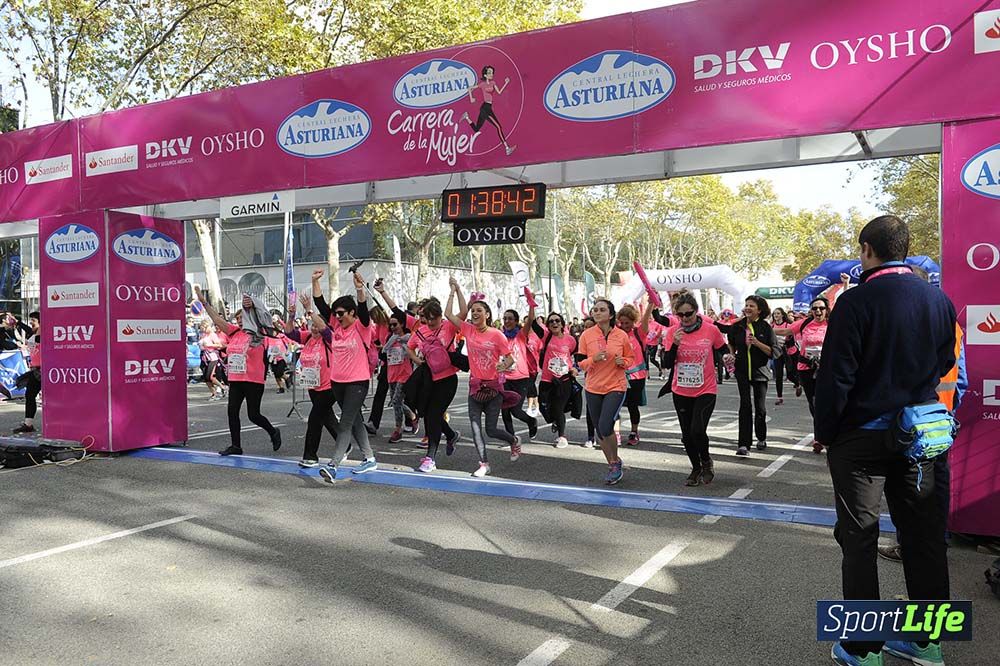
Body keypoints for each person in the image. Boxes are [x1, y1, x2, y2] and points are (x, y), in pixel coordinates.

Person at [815, 216, 956, 666]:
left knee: (859, 539)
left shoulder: (854, 303)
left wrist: (826, 434)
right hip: (921, 435)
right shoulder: (939, 300)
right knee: (925, 538)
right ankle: (925, 643)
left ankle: (863, 648)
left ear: (867, 250)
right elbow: (945, 361)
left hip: (862, 440)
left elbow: (836, 377)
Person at [195, 286, 282, 456]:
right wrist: (204, 302)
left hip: (253, 380)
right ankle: (236, 446)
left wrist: (251, 305)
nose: (241, 321)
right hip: (236, 379)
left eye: (244, 317)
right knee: (232, 411)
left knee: (253, 415)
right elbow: (216, 318)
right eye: (238, 318)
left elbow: (263, 315)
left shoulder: (260, 333)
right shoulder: (234, 332)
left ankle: (273, 431)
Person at [445, 279, 520, 476]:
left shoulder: (497, 335)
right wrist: (455, 290)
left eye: (479, 310)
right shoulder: (468, 330)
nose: (475, 313)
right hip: (475, 386)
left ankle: (513, 441)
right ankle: (484, 464)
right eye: (473, 311)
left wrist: (502, 365)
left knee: (491, 430)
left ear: (487, 314)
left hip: (493, 388)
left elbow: (510, 359)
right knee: (475, 428)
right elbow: (448, 314)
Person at [310, 269, 378, 482]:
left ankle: (333, 465)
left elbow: (364, 311)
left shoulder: (362, 327)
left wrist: (359, 289)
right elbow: (320, 304)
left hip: (357, 383)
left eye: (341, 313)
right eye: (336, 314)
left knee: (345, 423)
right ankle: (369, 459)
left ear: (352, 313)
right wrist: (314, 281)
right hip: (337, 383)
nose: (337, 317)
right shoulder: (336, 330)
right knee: (355, 420)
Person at [662, 294, 728, 486]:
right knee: (686, 435)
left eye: (688, 314)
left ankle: (706, 461)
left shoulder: (711, 330)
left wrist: (727, 358)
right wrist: (674, 344)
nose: (684, 318)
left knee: (697, 430)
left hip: (705, 388)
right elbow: (667, 363)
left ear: (696, 311)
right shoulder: (673, 332)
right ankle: (695, 468)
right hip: (681, 390)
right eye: (680, 315)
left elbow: (722, 349)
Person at [576, 298, 634, 484]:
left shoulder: (621, 336)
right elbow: (580, 362)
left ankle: (614, 462)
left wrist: (623, 362)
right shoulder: (586, 335)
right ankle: (613, 464)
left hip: (615, 386)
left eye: (602, 310)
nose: (597, 312)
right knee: (600, 432)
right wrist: (593, 359)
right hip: (593, 386)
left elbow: (630, 358)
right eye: (595, 310)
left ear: (610, 314)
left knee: (605, 426)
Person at [282, 293, 341, 468]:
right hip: (312, 385)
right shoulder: (307, 337)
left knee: (315, 419)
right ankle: (345, 445)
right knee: (327, 417)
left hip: (330, 386)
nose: (314, 329)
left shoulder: (330, 339)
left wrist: (310, 310)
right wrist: (292, 316)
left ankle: (310, 455)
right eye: (312, 326)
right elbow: (289, 332)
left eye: (317, 326)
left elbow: (324, 329)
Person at [406, 292, 461, 473]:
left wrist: (454, 291)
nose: (429, 323)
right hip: (429, 379)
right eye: (426, 319)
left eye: (433, 319)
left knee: (433, 415)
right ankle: (451, 435)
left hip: (448, 379)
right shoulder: (420, 332)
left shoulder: (449, 326)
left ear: (439, 316)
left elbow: (464, 312)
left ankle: (430, 458)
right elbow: (409, 347)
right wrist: (416, 360)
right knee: (428, 414)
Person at [720, 295, 775, 455]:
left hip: (760, 372)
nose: (747, 308)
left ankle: (761, 437)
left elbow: (774, 352)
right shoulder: (738, 326)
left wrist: (757, 343)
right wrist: (731, 354)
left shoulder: (765, 327)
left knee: (760, 408)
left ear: (759, 310)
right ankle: (743, 444)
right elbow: (730, 341)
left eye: (752, 306)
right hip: (742, 370)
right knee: (745, 405)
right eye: (746, 305)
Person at [775, 297, 830, 430]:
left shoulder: (832, 323)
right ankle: (819, 433)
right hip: (806, 367)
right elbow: (785, 331)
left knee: (824, 402)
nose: (818, 311)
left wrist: (846, 284)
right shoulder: (804, 323)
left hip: (826, 368)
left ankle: (825, 430)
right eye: (815, 308)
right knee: (813, 401)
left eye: (821, 308)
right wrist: (761, 328)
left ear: (826, 310)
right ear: (811, 311)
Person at [531, 310, 578, 448]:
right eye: (551, 321)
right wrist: (531, 304)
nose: (554, 323)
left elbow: (579, 356)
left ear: (562, 324)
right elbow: (533, 324)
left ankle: (562, 436)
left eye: (557, 320)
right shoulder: (546, 337)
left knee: (558, 408)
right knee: (544, 406)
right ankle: (556, 420)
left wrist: (576, 368)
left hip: (564, 379)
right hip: (547, 379)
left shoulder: (571, 340)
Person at [499, 308, 539, 441]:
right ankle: (511, 438)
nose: (507, 321)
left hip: (521, 378)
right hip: (505, 378)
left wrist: (531, 305)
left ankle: (531, 421)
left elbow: (531, 320)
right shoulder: (500, 336)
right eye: (505, 318)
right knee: (504, 410)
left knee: (515, 410)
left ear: (516, 321)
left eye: (510, 318)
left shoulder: (521, 334)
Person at [616, 302, 652, 446]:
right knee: (614, 405)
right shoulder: (616, 334)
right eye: (622, 322)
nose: (624, 325)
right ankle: (616, 432)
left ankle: (634, 431)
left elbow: (645, 320)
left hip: (636, 376)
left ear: (633, 321)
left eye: (627, 322)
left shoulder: (639, 333)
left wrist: (650, 304)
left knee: (632, 406)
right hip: (617, 375)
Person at [461, 65, 515, 155]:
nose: (491, 74)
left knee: (476, 129)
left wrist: (506, 83)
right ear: (485, 75)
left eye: (492, 72)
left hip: (487, 107)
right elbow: (469, 88)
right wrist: (471, 98)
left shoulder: (493, 83)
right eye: (489, 73)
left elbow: (499, 92)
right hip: (485, 108)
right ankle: (507, 148)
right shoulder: (482, 84)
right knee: (498, 127)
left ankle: (466, 117)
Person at [383, 312, 418, 443]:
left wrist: (402, 343)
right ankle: (412, 416)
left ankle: (398, 429)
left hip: (404, 374)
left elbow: (412, 353)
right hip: (392, 373)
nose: (392, 327)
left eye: (395, 324)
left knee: (397, 401)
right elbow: (384, 352)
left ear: (402, 324)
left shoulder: (409, 338)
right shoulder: (390, 338)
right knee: (395, 401)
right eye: (390, 325)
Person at [11, 311, 41, 434]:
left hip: (44, 370)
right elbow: (28, 329)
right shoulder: (33, 334)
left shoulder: (44, 334)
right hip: (35, 370)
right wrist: (17, 322)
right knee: (30, 395)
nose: (31, 323)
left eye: (33, 320)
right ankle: (28, 424)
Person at [769, 308, 799, 406]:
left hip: (789, 353)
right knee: (778, 375)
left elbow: (793, 339)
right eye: (774, 314)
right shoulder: (771, 326)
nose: (776, 315)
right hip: (778, 353)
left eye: (778, 313)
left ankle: (798, 384)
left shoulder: (788, 325)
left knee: (790, 374)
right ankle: (779, 397)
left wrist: (786, 341)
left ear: (782, 315)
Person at [198, 321, 228, 401]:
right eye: (202, 328)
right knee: (206, 378)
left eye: (205, 327)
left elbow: (219, 345)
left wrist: (209, 345)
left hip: (212, 357)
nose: (203, 329)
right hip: (204, 357)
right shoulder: (203, 335)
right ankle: (214, 393)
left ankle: (223, 387)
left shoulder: (213, 335)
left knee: (210, 376)